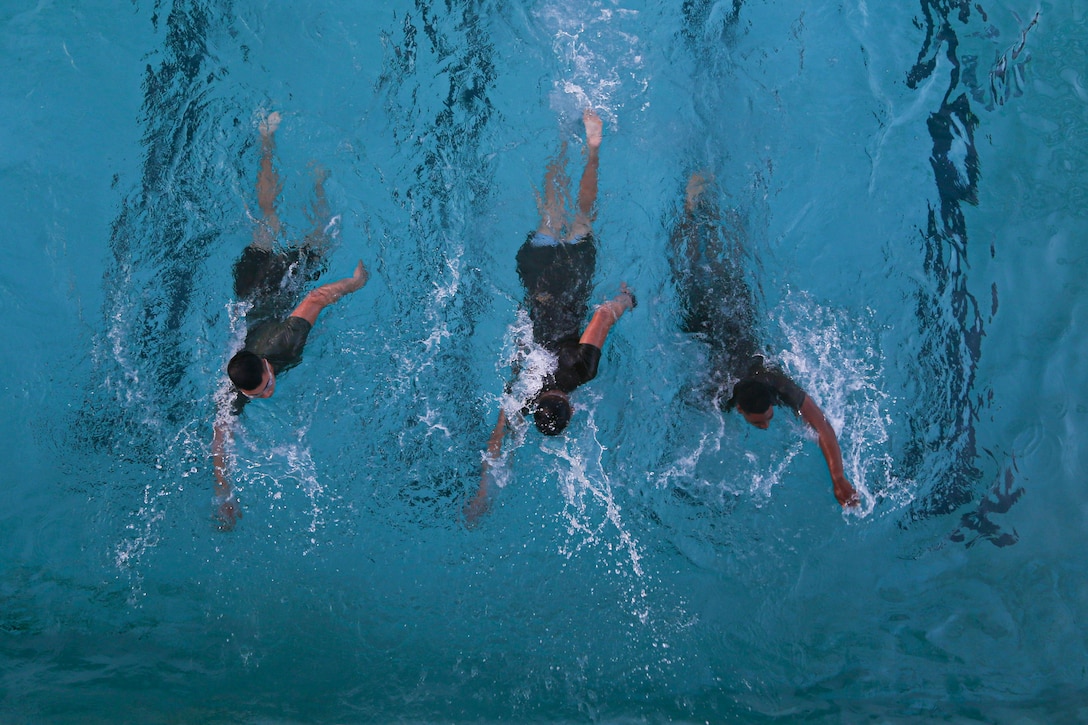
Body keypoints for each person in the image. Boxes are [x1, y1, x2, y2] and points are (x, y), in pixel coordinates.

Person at [465, 109, 636, 522]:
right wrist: (482, 490)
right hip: (538, 280)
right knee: (549, 213)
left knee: (581, 217)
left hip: (573, 281)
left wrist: (625, 302)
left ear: (570, 408)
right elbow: (497, 438)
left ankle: (592, 150)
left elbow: (600, 318)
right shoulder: (524, 392)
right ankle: (562, 138)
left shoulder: (581, 372)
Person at [211, 112, 368, 529]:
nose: (267, 392)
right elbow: (219, 440)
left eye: (266, 384)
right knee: (269, 223)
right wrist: (224, 495)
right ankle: (273, 145)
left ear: (265, 365)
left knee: (310, 234)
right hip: (249, 293)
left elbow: (316, 297)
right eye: (260, 393)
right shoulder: (239, 387)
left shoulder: (282, 344)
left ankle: (294, 161)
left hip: (271, 285)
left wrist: (354, 283)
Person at [671, 172, 858, 507]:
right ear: (739, 407)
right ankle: (690, 207)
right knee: (695, 265)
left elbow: (823, 428)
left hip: (729, 313)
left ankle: (699, 202)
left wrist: (838, 477)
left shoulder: (778, 385)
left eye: (767, 417)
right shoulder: (719, 390)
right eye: (761, 420)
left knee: (710, 263)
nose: (767, 424)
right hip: (710, 317)